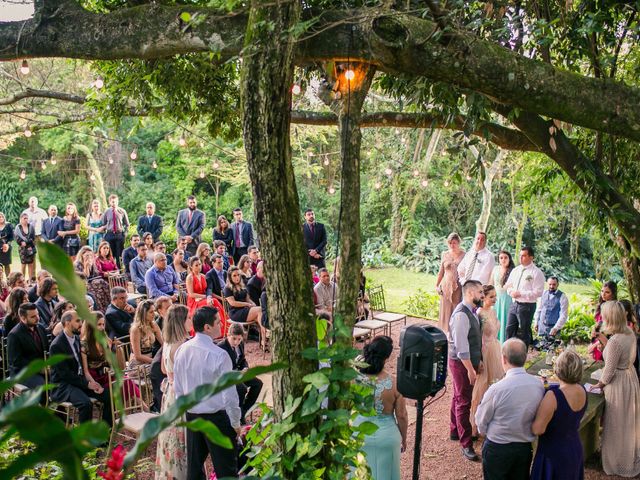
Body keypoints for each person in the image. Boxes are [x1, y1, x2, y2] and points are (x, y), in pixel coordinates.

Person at [173, 306, 241, 479]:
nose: (222, 324)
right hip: (215, 418)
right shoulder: (219, 355)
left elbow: (178, 388)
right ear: (207, 327)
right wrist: (235, 421)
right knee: (226, 469)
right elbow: (230, 394)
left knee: (194, 471)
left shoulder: (182, 350)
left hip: (192, 416)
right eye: (218, 322)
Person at [474, 338, 545, 480]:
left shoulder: (496, 389)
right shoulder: (538, 385)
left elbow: (480, 421)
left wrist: (486, 433)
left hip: (497, 447)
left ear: (504, 359)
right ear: (525, 358)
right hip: (524, 447)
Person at [591, 301, 640, 477]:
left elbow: (609, 371)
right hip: (630, 377)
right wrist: (605, 341)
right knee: (628, 421)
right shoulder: (629, 332)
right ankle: (628, 457)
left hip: (618, 384)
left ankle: (614, 462)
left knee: (616, 423)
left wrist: (598, 385)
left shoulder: (615, 342)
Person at [353, 336, 408, 480]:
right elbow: (402, 415)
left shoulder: (353, 379)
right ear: (387, 358)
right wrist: (404, 438)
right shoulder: (395, 383)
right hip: (387, 438)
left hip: (358, 435)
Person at [530, 350, 587, 480]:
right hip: (574, 448)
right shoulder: (582, 390)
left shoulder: (554, 396)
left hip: (553, 453)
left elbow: (538, 429)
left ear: (558, 369)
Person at [49, 310, 112, 425]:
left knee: (109, 396)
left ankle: (105, 435)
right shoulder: (57, 345)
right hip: (64, 385)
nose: (81, 324)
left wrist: (92, 382)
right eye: (77, 321)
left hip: (80, 381)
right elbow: (65, 375)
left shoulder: (77, 339)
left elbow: (84, 367)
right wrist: (88, 384)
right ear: (67, 323)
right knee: (85, 404)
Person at [448, 279, 484, 461]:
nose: (482, 295)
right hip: (462, 363)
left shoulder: (473, 312)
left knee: (458, 396)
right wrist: (470, 369)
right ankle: (466, 444)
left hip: (469, 361)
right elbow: (462, 348)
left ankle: (454, 430)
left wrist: (481, 360)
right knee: (464, 401)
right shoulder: (461, 315)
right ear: (470, 293)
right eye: (480, 292)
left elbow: (475, 341)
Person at [155, 304, 190, 480]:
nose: (191, 321)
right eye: (189, 318)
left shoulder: (168, 342)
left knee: (170, 437)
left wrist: (171, 376)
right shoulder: (183, 346)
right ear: (181, 322)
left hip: (169, 393)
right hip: (180, 395)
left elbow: (163, 368)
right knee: (181, 439)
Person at [470, 285, 504, 435]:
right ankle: (474, 426)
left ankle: (491, 421)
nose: (495, 299)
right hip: (485, 351)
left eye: (495, 296)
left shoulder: (493, 311)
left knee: (495, 385)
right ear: (484, 297)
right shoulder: (479, 313)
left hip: (496, 349)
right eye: (492, 297)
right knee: (481, 387)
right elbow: (476, 338)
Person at [217, 323, 264, 424]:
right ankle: (237, 416)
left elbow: (242, 359)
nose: (236, 342)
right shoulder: (221, 347)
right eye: (234, 339)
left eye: (239, 339)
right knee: (242, 389)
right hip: (228, 376)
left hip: (240, 373)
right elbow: (220, 369)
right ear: (228, 335)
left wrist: (246, 367)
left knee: (258, 384)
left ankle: (243, 411)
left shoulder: (240, 344)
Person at [504, 246, 545, 348]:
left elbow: (539, 292)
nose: (520, 258)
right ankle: (508, 354)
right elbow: (508, 285)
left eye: (524, 256)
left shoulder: (536, 272)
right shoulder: (516, 270)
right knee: (509, 329)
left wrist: (521, 293)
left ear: (531, 257)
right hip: (514, 304)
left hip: (527, 306)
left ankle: (522, 356)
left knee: (524, 332)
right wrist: (511, 292)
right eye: (520, 255)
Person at [6, 303, 48, 396]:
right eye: (33, 316)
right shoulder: (14, 335)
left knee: (61, 380)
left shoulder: (40, 328)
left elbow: (46, 350)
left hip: (41, 368)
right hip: (22, 372)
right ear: (23, 318)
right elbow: (16, 361)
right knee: (43, 387)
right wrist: (39, 369)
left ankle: (56, 408)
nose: (38, 318)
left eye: (38, 314)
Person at [224, 266, 264, 343]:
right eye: (234, 275)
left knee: (260, 314)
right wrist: (247, 304)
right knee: (260, 310)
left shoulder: (242, 285)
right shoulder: (227, 288)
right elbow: (233, 303)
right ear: (230, 277)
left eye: (238, 275)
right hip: (235, 312)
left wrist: (253, 304)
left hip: (245, 310)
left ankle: (263, 338)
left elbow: (248, 299)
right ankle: (265, 336)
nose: (237, 277)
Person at [435, 232, 465, 333]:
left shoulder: (464, 255)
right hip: (445, 287)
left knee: (456, 308)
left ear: (458, 243)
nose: (452, 245)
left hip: (458, 287)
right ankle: (445, 332)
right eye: (450, 243)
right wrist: (436, 285)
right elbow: (441, 272)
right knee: (445, 310)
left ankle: (455, 332)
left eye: (454, 243)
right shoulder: (445, 254)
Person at [129, 299, 163, 368]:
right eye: (151, 312)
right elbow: (138, 356)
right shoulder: (136, 329)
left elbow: (164, 343)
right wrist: (155, 361)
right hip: (138, 365)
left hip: (150, 361)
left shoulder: (153, 324)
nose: (154, 314)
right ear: (144, 314)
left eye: (154, 311)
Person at [74, 247, 110, 312]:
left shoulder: (92, 263)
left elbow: (96, 275)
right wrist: (86, 267)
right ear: (82, 255)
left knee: (104, 284)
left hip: (92, 283)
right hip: (82, 285)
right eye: (87, 255)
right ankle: (100, 310)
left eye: (91, 255)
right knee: (97, 291)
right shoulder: (77, 264)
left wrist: (90, 266)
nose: (89, 257)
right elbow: (83, 278)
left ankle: (109, 305)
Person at [490, 250, 514, 343]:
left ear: (509, 259)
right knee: (495, 319)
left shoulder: (512, 271)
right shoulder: (495, 269)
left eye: (505, 257)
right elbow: (490, 283)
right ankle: (494, 342)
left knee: (505, 320)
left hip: (507, 299)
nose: (503, 260)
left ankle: (504, 343)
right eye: (501, 258)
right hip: (496, 299)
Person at [589, 281, 617, 361]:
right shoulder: (601, 305)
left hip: (607, 340)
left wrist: (596, 344)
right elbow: (598, 323)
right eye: (602, 291)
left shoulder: (615, 307)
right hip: (597, 337)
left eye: (607, 292)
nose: (603, 294)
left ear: (613, 293)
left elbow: (613, 330)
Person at [101, 194, 130, 270]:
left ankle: (120, 271)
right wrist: (105, 234)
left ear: (117, 202)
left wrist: (125, 234)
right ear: (110, 202)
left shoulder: (122, 211)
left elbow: (127, 224)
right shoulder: (107, 211)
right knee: (110, 254)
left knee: (119, 255)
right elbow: (103, 223)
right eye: (112, 202)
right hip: (110, 235)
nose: (114, 203)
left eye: (115, 201)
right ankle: (111, 270)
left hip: (119, 235)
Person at [14, 212, 36, 282]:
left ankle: (30, 280)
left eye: (27, 218)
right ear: (21, 219)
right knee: (23, 265)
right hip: (22, 249)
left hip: (30, 248)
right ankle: (22, 280)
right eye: (24, 218)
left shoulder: (31, 227)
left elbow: (33, 237)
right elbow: (16, 237)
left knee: (30, 264)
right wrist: (20, 242)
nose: (26, 220)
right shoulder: (18, 227)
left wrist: (26, 242)